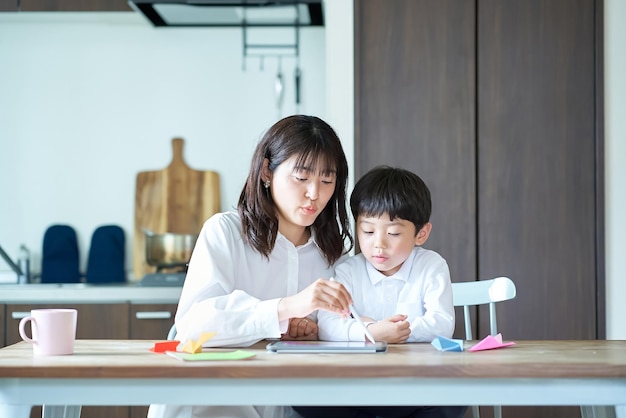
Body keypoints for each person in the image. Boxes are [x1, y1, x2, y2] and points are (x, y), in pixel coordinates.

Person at [148, 115, 355, 418]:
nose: (315, 193)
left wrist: (319, 331)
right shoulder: (225, 232)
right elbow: (193, 324)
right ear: (267, 172)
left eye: (327, 180)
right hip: (213, 405)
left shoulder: (335, 255)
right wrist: (285, 309)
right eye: (301, 178)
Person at [293, 166, 466, 418]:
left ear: (421, 233)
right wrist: (372, 332)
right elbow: (328, 325)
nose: (379, 244)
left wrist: (396, 333)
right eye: (368, 231)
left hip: (415, 384)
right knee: (306, 398)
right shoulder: (348, 270)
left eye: (394, 233)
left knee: (457, 395)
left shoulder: (432, 266)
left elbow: (441, 324)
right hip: (359, 385)